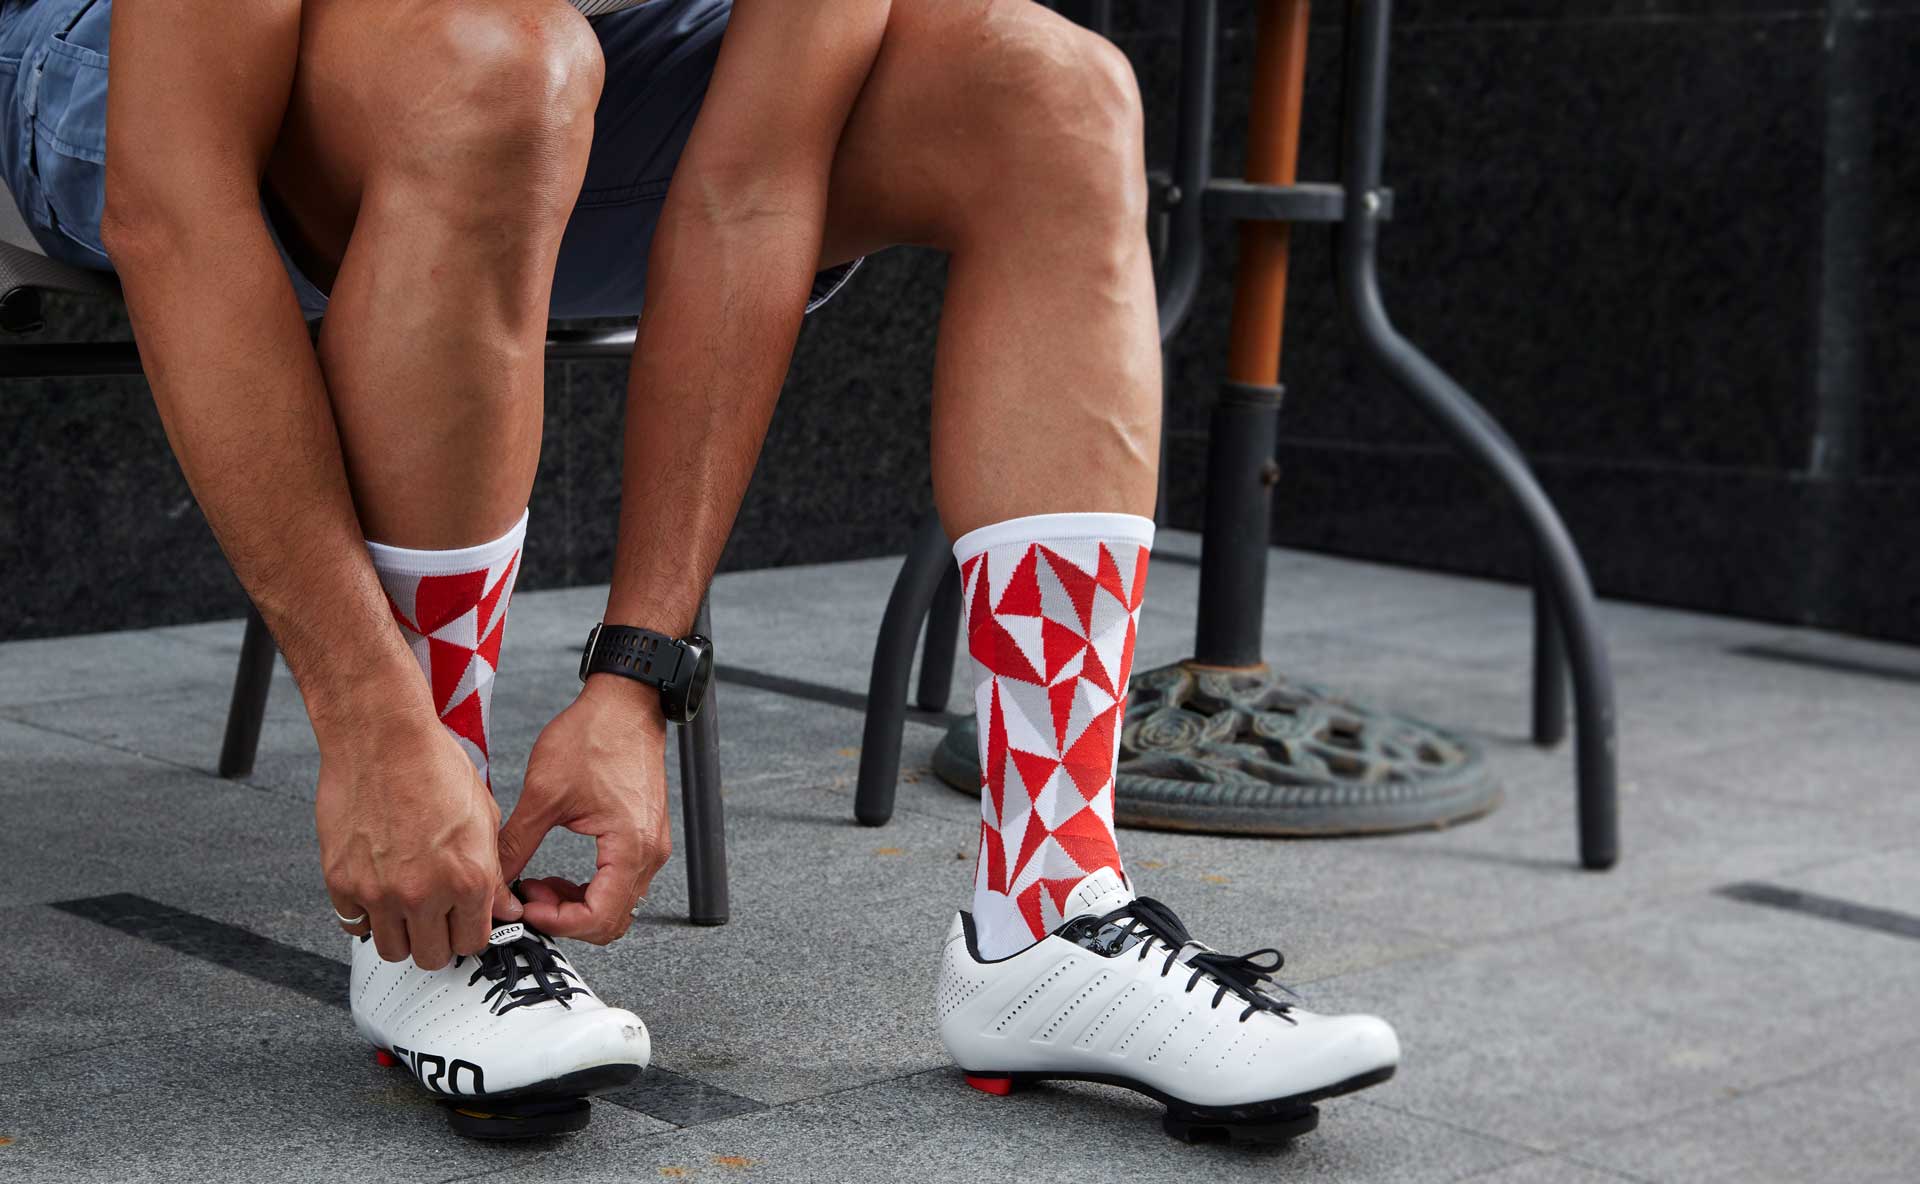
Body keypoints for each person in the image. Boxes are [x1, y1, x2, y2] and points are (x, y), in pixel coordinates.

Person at [0, 0, 1398, 1141]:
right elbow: (174, 199)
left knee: (1054, 91)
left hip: (574, 86)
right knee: (501, 65)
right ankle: (429, 907)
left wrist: (639, 675)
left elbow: (747, 188)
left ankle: (1050, 914)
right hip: (133, 80)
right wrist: (369, 724)